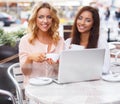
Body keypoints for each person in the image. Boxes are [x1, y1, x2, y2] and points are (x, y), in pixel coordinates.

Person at [19, 2, 64, 84]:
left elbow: (63, 72)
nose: (45, 21)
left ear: (53, 19)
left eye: (49, 17)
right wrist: (30, 58)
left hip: (55, 88)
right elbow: (25, 73)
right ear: (35, 19)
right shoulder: (25, 41)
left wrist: (56, 65)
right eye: (41, 17)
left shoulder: (60, 41)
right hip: (34, 90)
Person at [65, 6, 110, 74]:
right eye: (80, 18)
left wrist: (81, 64)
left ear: (93, 24)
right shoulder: (68, 42)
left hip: (94, 82)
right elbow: (65, 67)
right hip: (73, 80)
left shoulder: (100, 42)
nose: (82, 23)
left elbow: (106, 68)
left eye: (88, 20)